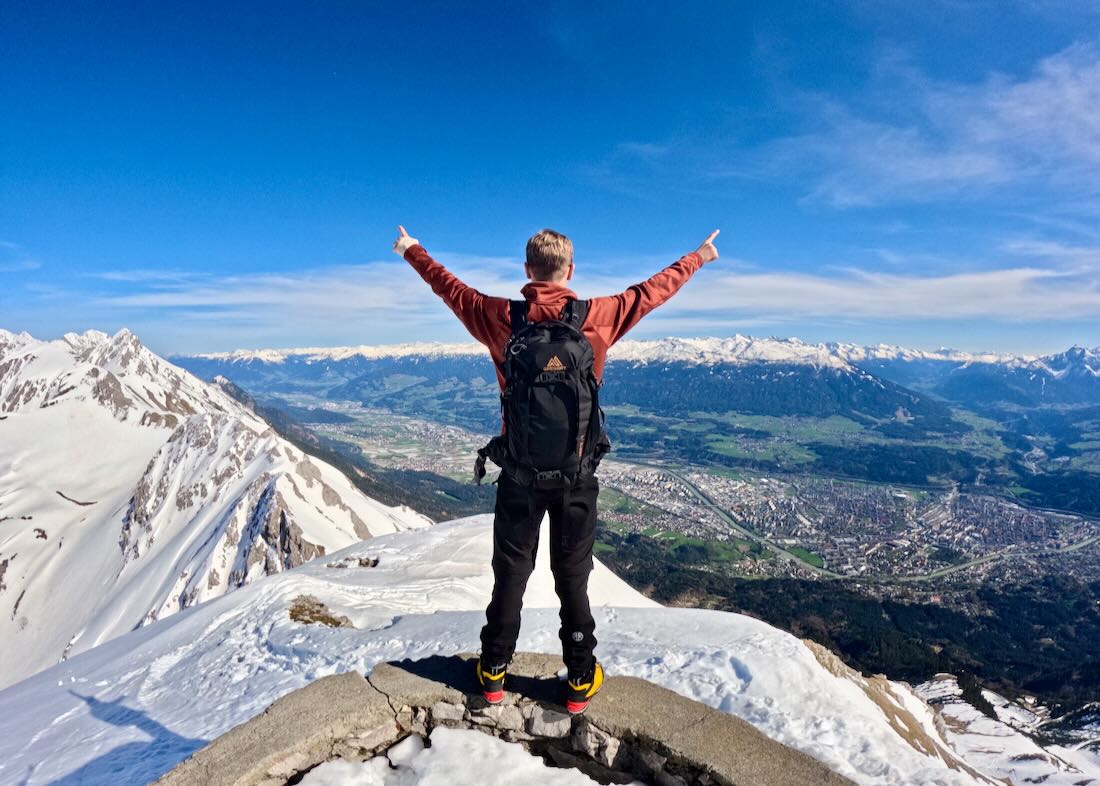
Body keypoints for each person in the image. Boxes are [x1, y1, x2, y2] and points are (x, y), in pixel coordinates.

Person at [393, 225, 720, 713]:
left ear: (527, 271)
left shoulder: (500, 316)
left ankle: (493, 672)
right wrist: (700, 256)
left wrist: (411, 250)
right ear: (571, 271)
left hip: (520, 478)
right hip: (576, 479)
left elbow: (449, 287)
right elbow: (654, 290)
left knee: (511, 574)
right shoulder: (598, 316)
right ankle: (580, 679)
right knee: (572, 576)